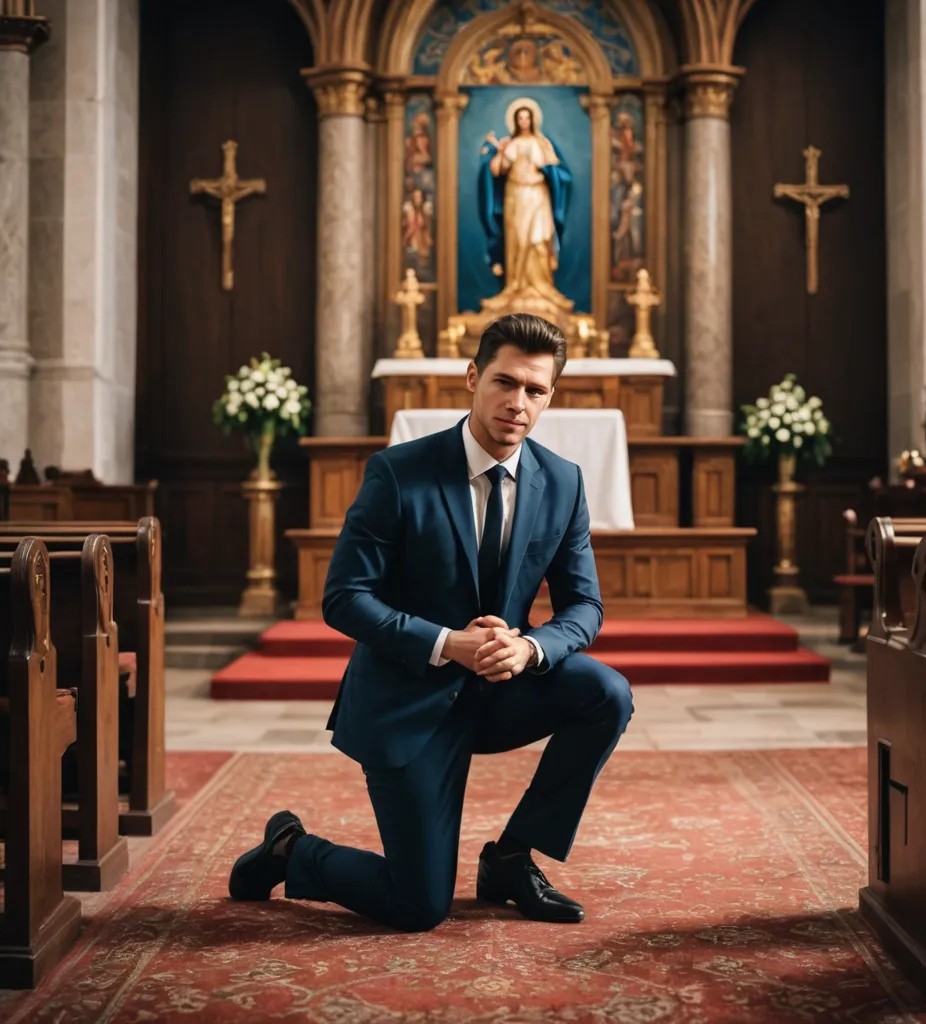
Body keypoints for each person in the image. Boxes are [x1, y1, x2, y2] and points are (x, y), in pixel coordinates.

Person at [229, 313, 633, 931]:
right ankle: (291, 850)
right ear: (473, 378)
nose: (517, 403)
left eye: (535, 390)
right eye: (504, 383)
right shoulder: (398, 472)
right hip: (409, 698)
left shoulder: (562, 481)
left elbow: (585, 607)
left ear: (550, 396)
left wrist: (529, 649)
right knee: (417, 906)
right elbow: (344, 597)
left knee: (607, 692)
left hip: (501, 689)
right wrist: (448, 644)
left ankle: (510, 859)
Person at [479, 101, 573, 311]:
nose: (524, 121)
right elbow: (497, 170)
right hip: (516, 196)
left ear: (532, 119)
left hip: (538, 195)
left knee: (539, 239)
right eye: (520, 117)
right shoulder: (510, 144)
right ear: (515, 120)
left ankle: (543, 286)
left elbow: (557, 171)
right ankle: (515, 285)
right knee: (519, 240)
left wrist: (546, 165)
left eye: (527, 117)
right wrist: (502, 152)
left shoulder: (542, 143)